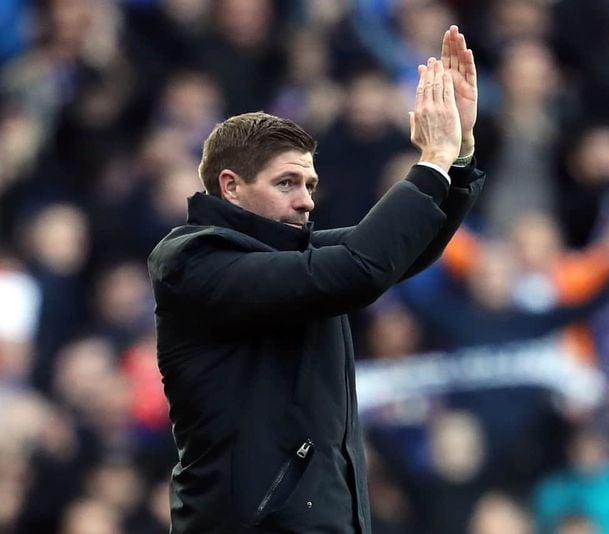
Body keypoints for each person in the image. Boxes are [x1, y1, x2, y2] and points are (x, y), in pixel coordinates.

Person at [148, 26, 484, 533]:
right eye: (287, 182)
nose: (306, 199)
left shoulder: (297, 256)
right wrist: (430, 161)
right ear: (231, 187)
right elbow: (359, 268)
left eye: (309, 183)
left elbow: (396, 253)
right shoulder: (195, 262)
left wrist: (456, 159)